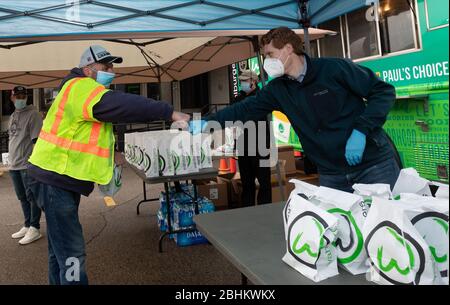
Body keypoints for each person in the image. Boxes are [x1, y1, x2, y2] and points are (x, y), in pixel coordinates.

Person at [27, 45, 190, 285]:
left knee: (59, 249)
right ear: (88, 69)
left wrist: (113, 155)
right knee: (72, 254)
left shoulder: (77, 90)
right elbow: (119, 105)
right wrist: (169, 112)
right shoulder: (81, 86)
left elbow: (84, 132)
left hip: (54, 178)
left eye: (112, 66)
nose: (111, 71)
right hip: (54, 181)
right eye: (106, 66)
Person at [205, 27, 400, 193]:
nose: (266, 61)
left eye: (270, 54)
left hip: (373, 166)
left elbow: (383, 91)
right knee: (341, 234)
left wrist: (361, 131)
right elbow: (244, 109)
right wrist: (208, 122)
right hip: (331, 174)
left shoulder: (333, 69)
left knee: (386, 231)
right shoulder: (278, 89)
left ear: (288, 49)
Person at [8, 86, 43, 245]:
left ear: (27, 97)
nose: (21, 98)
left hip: (26, 164)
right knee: (22, 197)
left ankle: (35, 228)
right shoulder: (14, 115)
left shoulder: (33, 114)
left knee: (32, 197)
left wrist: (34, 163)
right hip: (14, 164)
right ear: (12, 98)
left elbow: (37, 141)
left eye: (23, 95)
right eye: (18, 96)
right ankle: (27, 224)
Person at [232, 70, 271, 206]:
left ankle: (265, 211)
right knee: (247, 183)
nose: (242, 83)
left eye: (245, 81)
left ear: (253, 81)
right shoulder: (238, 99)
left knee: (264, 182)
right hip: (243, 145)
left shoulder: (262, 96)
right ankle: (247, 211)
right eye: (241, 81)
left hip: (261, 145)